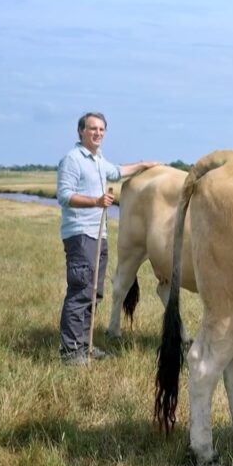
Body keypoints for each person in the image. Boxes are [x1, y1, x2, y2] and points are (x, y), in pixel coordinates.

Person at [56, 112, 159, 366]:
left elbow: (117, 171)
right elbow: (64, 195)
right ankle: (70, 351)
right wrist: (96, 201)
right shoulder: (72, 159)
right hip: (81, 233)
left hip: (98, 234)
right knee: (80, 290)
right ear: (81, 132)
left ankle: (86, 345)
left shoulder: (98, 159)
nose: (98, 133)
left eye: (101, 129)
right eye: (92, 129)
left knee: (94, 292)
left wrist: (143, 165)